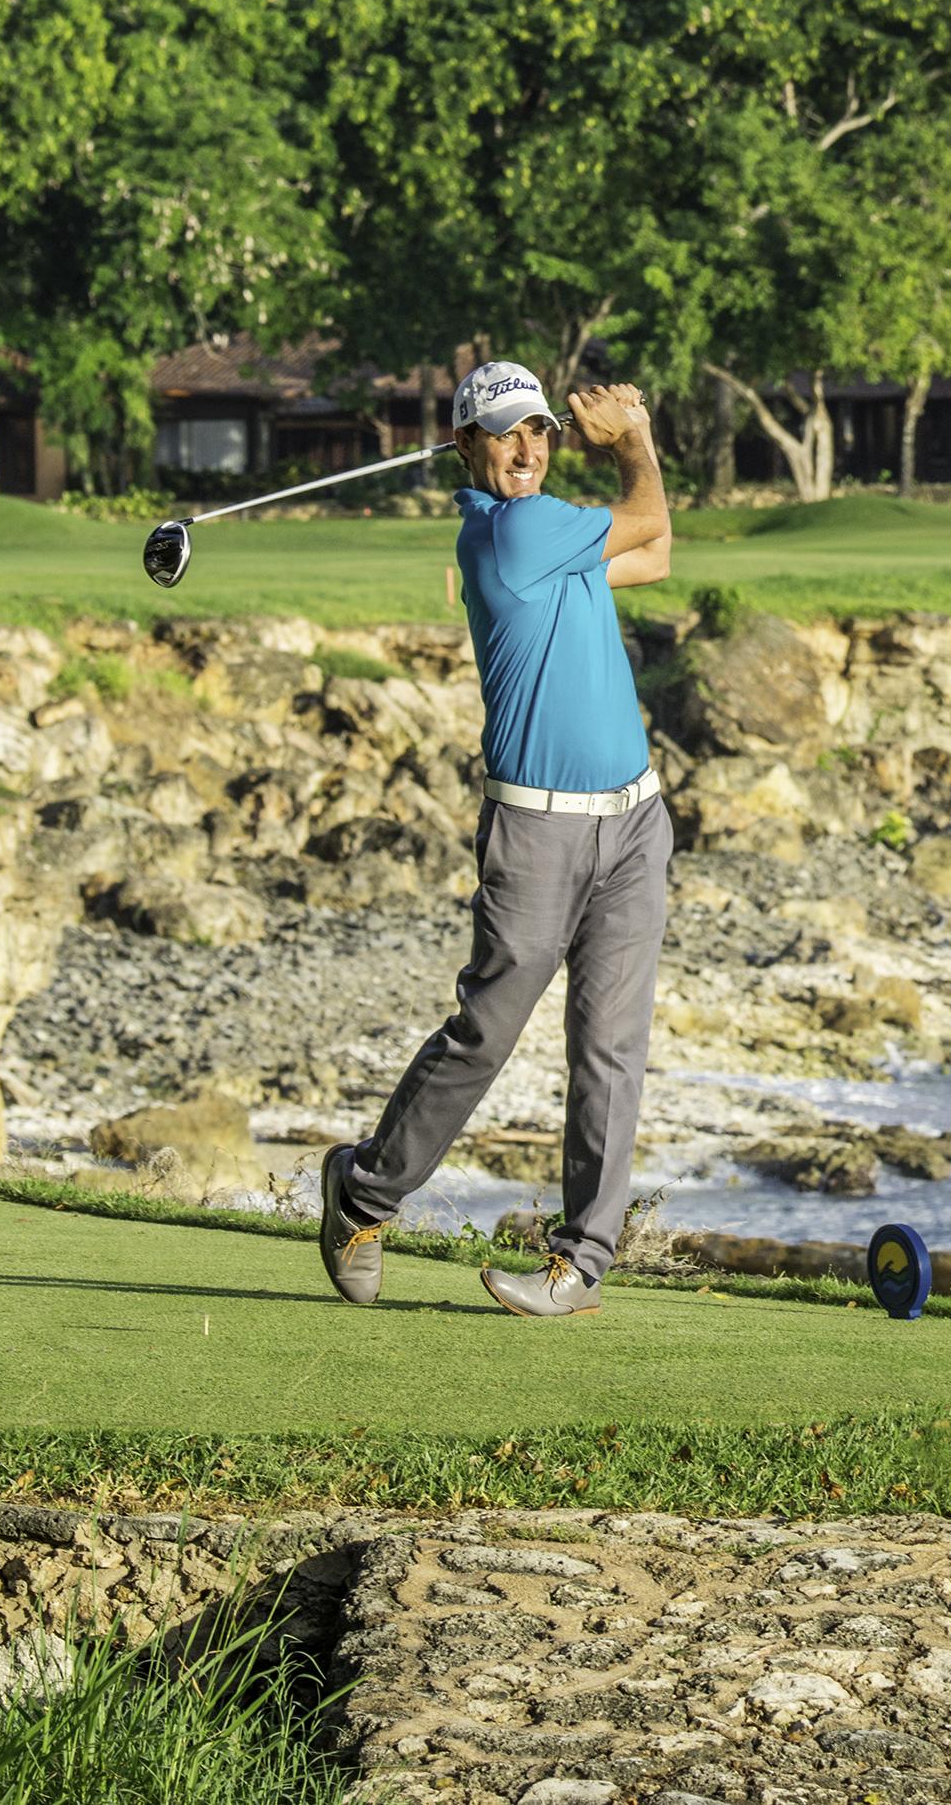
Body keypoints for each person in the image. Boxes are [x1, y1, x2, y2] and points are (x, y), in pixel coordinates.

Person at [319, 360, 670, 1319]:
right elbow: (644, 520)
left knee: (611, 1048)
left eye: (542, 432)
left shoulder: (552, 533)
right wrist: (633, 434)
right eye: (508, 432)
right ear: (470, 449)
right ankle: (363, 1191)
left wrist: (630, 449)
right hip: (537, 830)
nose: (529, 448)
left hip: (635, 821)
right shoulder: (513, 532)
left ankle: (580, 1262)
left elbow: (657, 552)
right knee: (485, 1033)